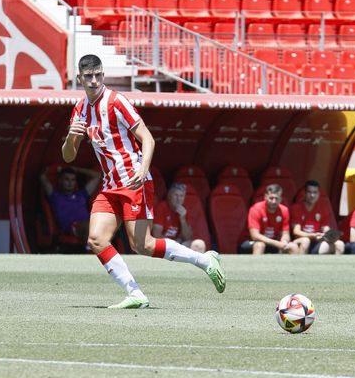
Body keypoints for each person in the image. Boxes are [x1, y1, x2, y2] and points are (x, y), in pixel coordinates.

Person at [62, 53, 225, 307]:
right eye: (88, 76)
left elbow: (148, 139)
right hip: (110, 185)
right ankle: (135, 293)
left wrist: (143, 168)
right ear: (80, 78)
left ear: (103, 75)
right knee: (96, 239)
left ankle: (204, 260)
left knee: (143, 245)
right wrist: (71, 137)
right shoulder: (80, 109)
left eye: (98, 75)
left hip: (133, 181)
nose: (94, 81)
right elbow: (68, 156)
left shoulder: (116, 102)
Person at [41, 165, 99, 245]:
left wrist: (77, 169)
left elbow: (97, 176)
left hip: (88, 223)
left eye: (73, 180)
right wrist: (57, 168)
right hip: (72, 227)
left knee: (107, 223)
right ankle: (90, 251)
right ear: (60, 180)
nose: (70, 183)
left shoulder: (81, 195)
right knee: (89, 226)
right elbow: (42, 175)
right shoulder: (55, 196)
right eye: (66, 179)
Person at [290, 180, 344, 255]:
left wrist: (327, 235)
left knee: (340, 244)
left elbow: (325, 228)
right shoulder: (296, 208)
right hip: (301, 241)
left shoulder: (323, 208)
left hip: (317, 241)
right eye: (309, 192)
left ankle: (334, 266)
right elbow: (296, 232)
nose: (312, 195)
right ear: (305, 193)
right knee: (306, 241)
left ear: (318, 194)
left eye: (315, 192)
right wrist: (313, 235)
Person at [153, 180, 207, 254]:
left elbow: (187, 237)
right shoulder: (162, 207)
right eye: (176, 195)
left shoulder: (183, 211)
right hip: (164, 245)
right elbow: (156, 235)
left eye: (181, 196)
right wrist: (174, 245)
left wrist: (183, 219)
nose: (179, 199)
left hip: (177, 245)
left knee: (199, 244)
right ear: (169, 195)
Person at [244, 184, 295, 255]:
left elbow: (285, 233)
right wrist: (276, 243)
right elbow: (255, 236)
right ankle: (256, 266)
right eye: (271, 198)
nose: (274, 201)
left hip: (273, 242)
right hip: (251, 241)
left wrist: (284, 241)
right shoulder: (255, 209)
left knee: (293, 247)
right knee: (260, 245)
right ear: (265, 197)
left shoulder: (284, 210)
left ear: (280, 199)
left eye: (276, 198)